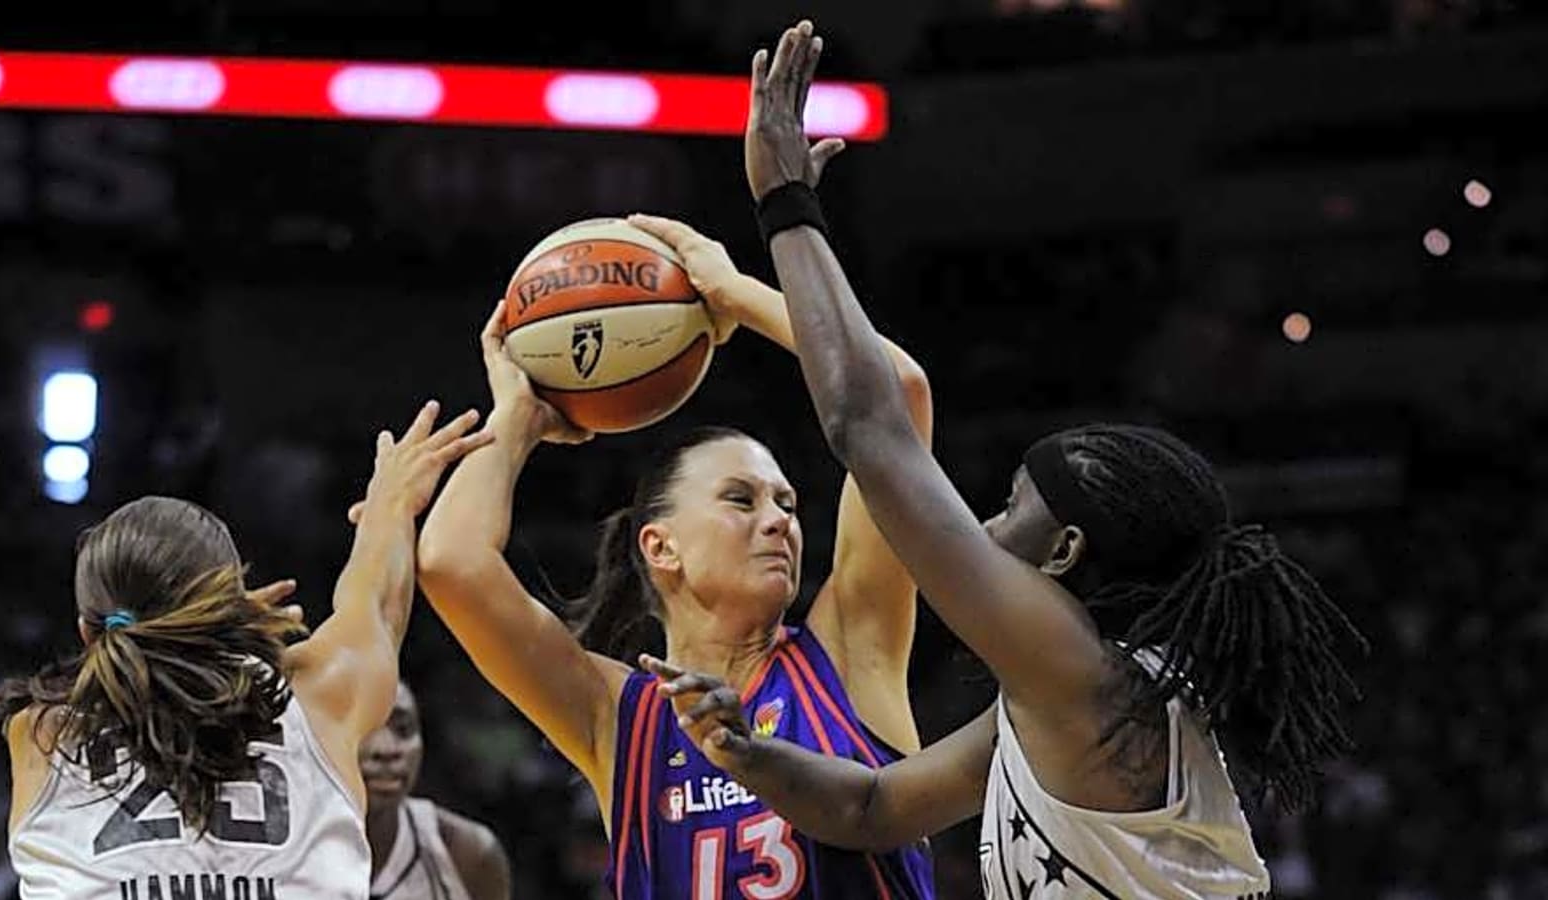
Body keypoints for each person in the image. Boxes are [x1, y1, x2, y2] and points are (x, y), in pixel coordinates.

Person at [638, 20, 1366, 900]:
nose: (983, 522)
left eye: (1015, 505)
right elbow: (869, 809)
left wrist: (784, 204)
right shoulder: (1062, 698)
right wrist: (745, 753)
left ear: (1064, 554)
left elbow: (868, 424)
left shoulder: (1078, 675)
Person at [416, 229, 938, 899]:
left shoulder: (849, 650)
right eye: (740, 500)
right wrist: (517, 418)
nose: (779, 520)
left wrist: (737, 294)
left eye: (786, 503)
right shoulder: (615, 716)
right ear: (660, 547)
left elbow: (897, 391)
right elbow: (449, 561)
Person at [0, 401, 490, 899]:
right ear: (225, 606)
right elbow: (379, 603)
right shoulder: (324, 694)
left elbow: (150, 672)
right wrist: (392, 504)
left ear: (88, 632)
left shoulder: (41, 734)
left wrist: (213, 628)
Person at [361, 680, 511, 900]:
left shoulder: (468, 853)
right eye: (366, 728)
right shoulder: (294, 843)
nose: (386, 750)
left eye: (403, 730)